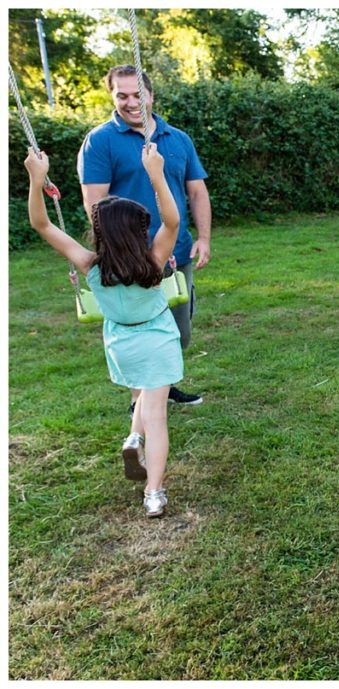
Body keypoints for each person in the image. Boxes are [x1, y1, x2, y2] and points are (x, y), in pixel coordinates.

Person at [26, 144, 182, 518]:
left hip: (121, 345)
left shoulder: (91, 266)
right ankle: (153, 492)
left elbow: (42, 224)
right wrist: (157, 174)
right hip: (156, 341)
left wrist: (35, 181)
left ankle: (133, 436)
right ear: (138, 234)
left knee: (144, 387)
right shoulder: (153, 261)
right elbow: (173, 222)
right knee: (158, 415)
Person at [78, 64, 211, 414]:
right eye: (122, 95)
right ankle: (142, 407)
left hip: (175, 252)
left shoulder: (177, 138)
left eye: (138, 94)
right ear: (112, 96)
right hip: (128, 259)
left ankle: (159, 391)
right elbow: (94, 203)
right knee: (136, 329)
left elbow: (196, 191)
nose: (131, 102)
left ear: (151, 94)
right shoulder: (101, 140)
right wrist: (108, 251)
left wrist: (205, 237)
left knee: (178, 332)